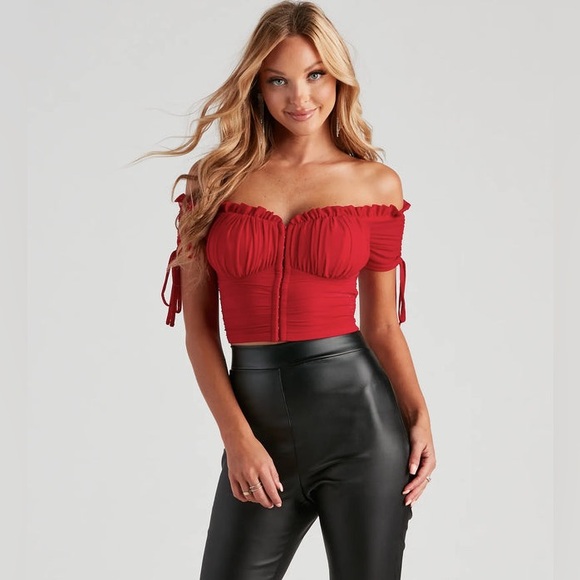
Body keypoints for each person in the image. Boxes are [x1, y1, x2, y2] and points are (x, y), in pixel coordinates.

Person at [155, 2, 436, 578]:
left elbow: (382, 324)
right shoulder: (214, 183)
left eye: (315, 75)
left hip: (362, 428)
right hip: (257, 428)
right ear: (256, 87)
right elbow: (199, 331)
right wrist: (237, 439)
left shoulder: (375, 184)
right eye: (278, 80)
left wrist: (418, 414)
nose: (299, 97)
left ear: (339, 78)